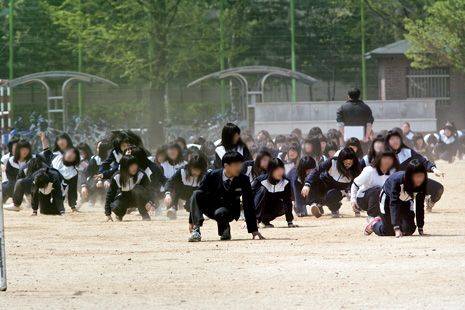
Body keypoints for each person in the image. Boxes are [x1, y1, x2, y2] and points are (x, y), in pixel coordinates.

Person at [188, 151, 264, 242]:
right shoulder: (211, 176)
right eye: (236, 165)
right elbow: (196, 198)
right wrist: (191, 220)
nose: (240, 167)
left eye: (240, 164)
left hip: (229, 210)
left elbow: (248, 204)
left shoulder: (243, 180)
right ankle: (196, 230)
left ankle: (225, 230)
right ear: (226, 166)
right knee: (196, 193)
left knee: (221, 212)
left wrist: (253, 230)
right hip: (211, 208)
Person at [385, 130, 444, 212]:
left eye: (397, 138)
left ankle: (429, 202)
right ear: (388, 141)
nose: (395, 141)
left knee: (438, 188)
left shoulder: (407, 152)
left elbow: (422, 161)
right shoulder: (383, 154)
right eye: (392, 139)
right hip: (391, 187)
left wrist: (434, 169)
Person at [365, 160, 427, 237]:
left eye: (422, 176)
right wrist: (396, 228)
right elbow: (394, 204)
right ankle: (374, 223)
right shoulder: (397, 181)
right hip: (388, 200)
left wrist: (420, 227)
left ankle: (396, 223)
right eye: (417, 176)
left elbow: (419, 206)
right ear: (410, 175)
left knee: (409, 229)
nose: (420, 179)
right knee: (388, 231)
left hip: (405, 201)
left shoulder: (422, 184)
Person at [301, 147, 360, 218]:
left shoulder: (356, 170)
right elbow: (317, 170)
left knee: (331, 194)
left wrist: (355, 202)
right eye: (345, 163)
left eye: (350, 163)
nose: (347, 165)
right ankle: (315, 204)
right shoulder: (332, 162)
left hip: (339, 190)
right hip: (324, 183)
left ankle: (334, 208)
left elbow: (357, 185)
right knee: (312, 180)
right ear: (340, 160)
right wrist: (307, 184)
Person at [350, 151, 399, 219]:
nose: (387, 161)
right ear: (379, 158)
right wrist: (353, 200)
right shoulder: (370, 171)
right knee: (378, 190)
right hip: (363, 199)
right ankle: (371, 217)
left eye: (390, 158)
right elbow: (355, 184)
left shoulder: (393, 172)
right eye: (385, 158)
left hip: (381, 201)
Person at [105, 155, 151, 221]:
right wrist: (108, 213)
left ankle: (144, 214)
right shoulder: (117, 176)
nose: (134, 168)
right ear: (125, 166)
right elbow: (110, 195)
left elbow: (149, 190)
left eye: (135, 165)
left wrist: (150, 201)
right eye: (131, 166)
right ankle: (119, 214)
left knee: (137, 189)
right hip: (123, 198)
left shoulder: (141, 174)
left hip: (139, 199)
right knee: (116, 206)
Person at [252, 158, 296, 228]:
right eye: (276, 169)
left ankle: (265, 221)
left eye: (281, 169)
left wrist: (289, 222)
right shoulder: (260, 180)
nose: (279, 172)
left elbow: (287, 201)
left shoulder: (286, 182)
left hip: (271, 209)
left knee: (284, 206)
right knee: (262, 190)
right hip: (257, 209)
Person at [164, 153, 208, 220]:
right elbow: (170, 182)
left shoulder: (205, 175)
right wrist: (167, 194)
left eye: (198, 170)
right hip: (180, 192)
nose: (195, 172)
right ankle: (172, 208)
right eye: (194, 169)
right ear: (190, 167)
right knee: (173, 189)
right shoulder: (182, 171)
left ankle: (201, 211)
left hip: (194, 195)